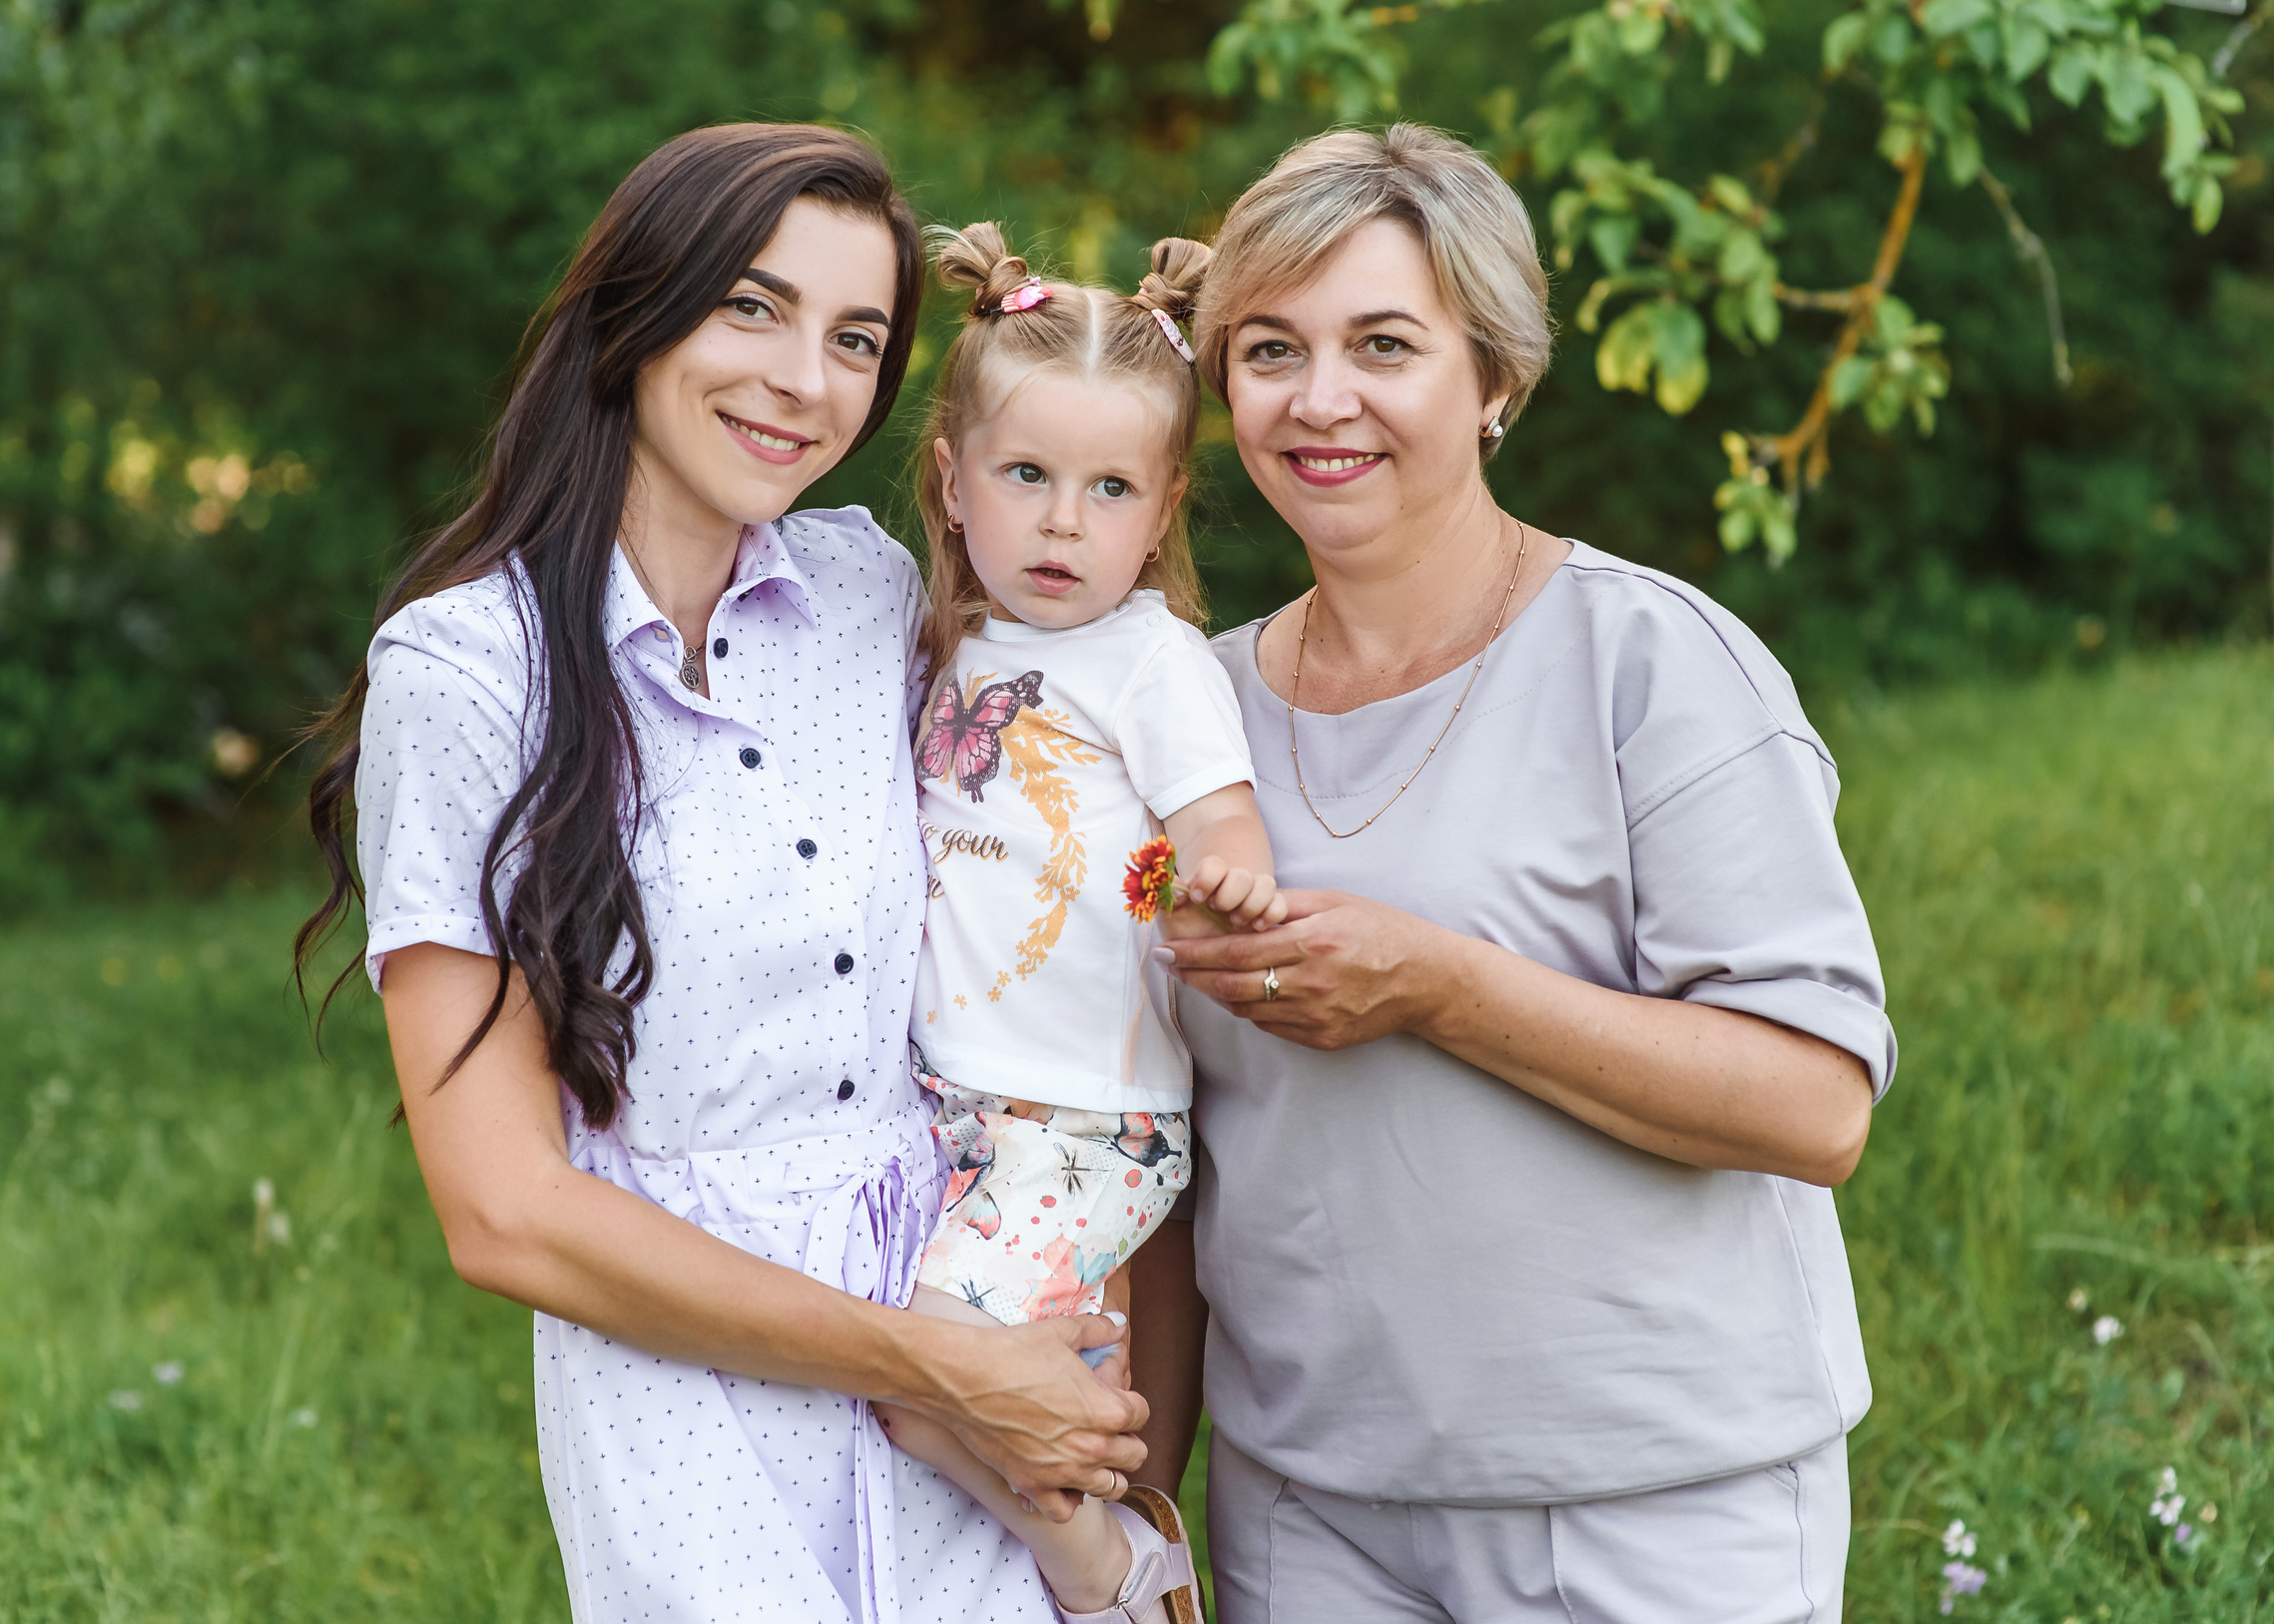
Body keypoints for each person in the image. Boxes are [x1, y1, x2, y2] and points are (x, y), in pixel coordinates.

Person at [294, 124, 1147, 1624]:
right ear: (637, 308)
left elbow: (1050, 869)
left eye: (857, 337)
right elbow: (503, 1210)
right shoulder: (468, 671)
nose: (803, 379)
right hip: (689, 1391)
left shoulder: (872, 593)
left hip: (960, 1345)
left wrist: (1042, 1298)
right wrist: (928, 1365)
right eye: (751, 306)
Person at [1154, 123, 1895, 1622]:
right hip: (1312, 1515)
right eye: (1270, 349)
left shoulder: (1648, 662)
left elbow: (1816, 1106)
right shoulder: (1183, 714)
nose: (1321, 400)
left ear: (1493, 380)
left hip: (1651, 1508)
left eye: (1383, 344)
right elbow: (1153, 1149)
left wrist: (1437, 986)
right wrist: (1134, 1503)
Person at [871, 223, 1281, 1624]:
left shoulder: (1150, 659)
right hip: (945, 1103)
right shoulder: (943, 644)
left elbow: (1217, 825)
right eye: (1028, 475)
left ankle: (1118, 1570)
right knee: (936, 1374)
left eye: (1108, 489)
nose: (1062, 522)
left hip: (1091, 1117)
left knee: (929, 1381)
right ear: (953, 476)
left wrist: (1213, 878)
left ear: (1161, 510)